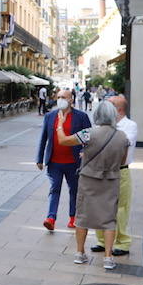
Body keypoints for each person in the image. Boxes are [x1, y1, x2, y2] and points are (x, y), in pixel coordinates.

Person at [56, 100, 130, 270]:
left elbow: (63, 141)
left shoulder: (88, 133)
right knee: (109, 219)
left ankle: (80, 253)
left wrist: (60, 124)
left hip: (89, 180)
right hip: (110, 181)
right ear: (113, 116)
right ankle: (108, 257)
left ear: (97, 115)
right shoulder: (122, 137)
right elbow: (122, 160)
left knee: (82, 217)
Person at [36, 89, 91, 232]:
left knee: (74, 190)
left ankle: (73, 218)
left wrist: (84, 151)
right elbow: (43, 139)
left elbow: (89, 138)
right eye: (59, 96)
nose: (60, 99)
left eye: (64, 97)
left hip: (73, 163)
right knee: (55, 189)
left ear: (71, 100)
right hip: (54, 162)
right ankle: (51, 218)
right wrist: (39, 158)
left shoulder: (81, 117)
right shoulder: (50, 116)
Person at [90, 95, 138, 256]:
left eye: (109, 105)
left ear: (118, 109)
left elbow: (119, 146)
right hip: (102, 170)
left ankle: (122, 242)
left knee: (120, 208)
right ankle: (102, 240)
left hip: (120, 171)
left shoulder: (130, 126)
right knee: (100, 206)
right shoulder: (101, 126)